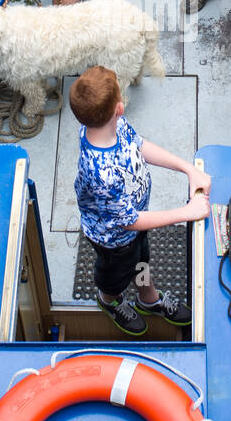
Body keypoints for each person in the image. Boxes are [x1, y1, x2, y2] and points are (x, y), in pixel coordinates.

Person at [70, 66, 211, 336]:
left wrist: (188, 169)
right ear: (119, 108)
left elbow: (140, 145)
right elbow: (130, 222)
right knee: (115, 277)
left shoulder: (112, 126)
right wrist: (186, 212)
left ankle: (148, 297)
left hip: (133, 229)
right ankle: (108, 301)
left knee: (141, 260)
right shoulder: (102, 173)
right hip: (112, 241)